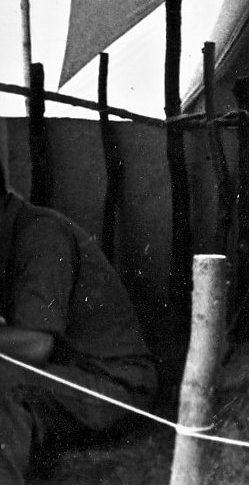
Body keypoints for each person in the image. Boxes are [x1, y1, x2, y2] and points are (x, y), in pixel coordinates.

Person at [0, 175, 158, 484]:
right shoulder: (8, 235)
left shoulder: (41, 235)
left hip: (113, 385)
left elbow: (36, 345)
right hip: (64, 376)